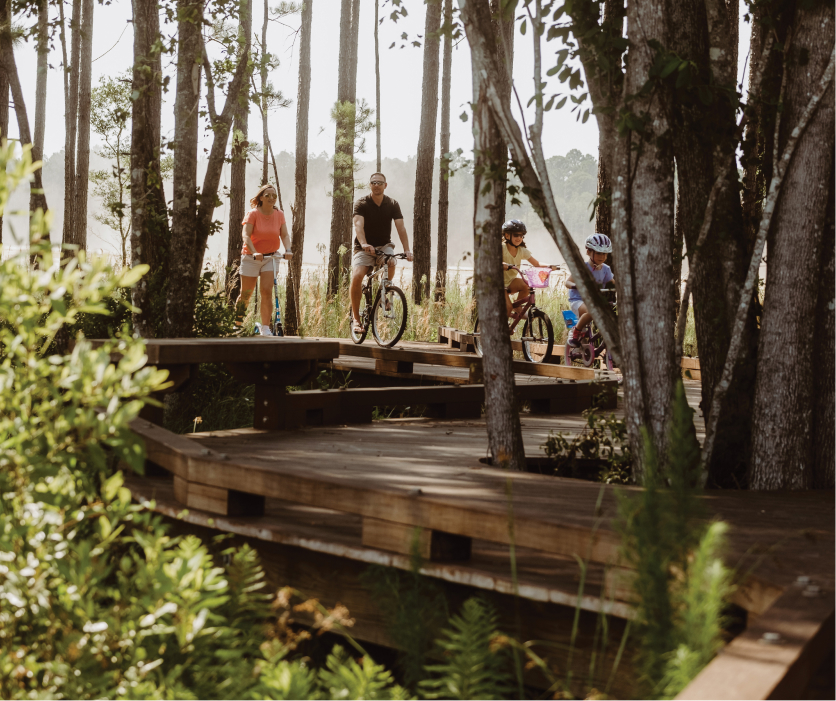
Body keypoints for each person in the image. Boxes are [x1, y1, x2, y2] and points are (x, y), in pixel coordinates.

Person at [350, 172, 413, 333]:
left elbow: (401, 228)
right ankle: (356, 321)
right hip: (364, 247)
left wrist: (406, 250)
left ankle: (384, 291)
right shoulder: (361, 203)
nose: (376, 185)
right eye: (373, 182)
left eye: (380, 183)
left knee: (392, 261)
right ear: (369, 185)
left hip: (384, 245)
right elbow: (358, 225)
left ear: (385, 185)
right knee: (357, 276)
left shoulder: (392, 204)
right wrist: (364, 243)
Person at [234, 184, 293, 336]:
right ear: (261, 197)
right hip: (251, 257)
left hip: (271, 257)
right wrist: (255, 252)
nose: (271, 198)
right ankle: (237, 325)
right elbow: (246, 235)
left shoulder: (279, 214)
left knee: (267, 291)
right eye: (268, 195)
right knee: (246, 293)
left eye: (274, 195)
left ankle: (265, 327)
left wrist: (288, 250)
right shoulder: (252, 214)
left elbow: (284, 235)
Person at [564, 233, 614, 347]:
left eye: (604, 254)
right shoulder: (582, 267)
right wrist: (575, 286)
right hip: (578, 301)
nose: (602, 256)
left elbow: (613, 284)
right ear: (588, 252)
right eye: (599, 253)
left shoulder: (606, 269)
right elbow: (567, 282)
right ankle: (575, 331)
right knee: (592, 311)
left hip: (595, 302)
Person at [500, 219, 554, 317]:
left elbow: (536, 263)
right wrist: (502, 264)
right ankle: (502, 329)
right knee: (507, 308)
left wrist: (549, 266)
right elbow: (493, 260)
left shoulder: (522, 250)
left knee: (527, 285)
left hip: (510, 281)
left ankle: (517, 305)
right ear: (507, 235)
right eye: (516, 235)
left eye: (521, 235)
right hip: (498, 283)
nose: (519, 238)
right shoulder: (501, 248)